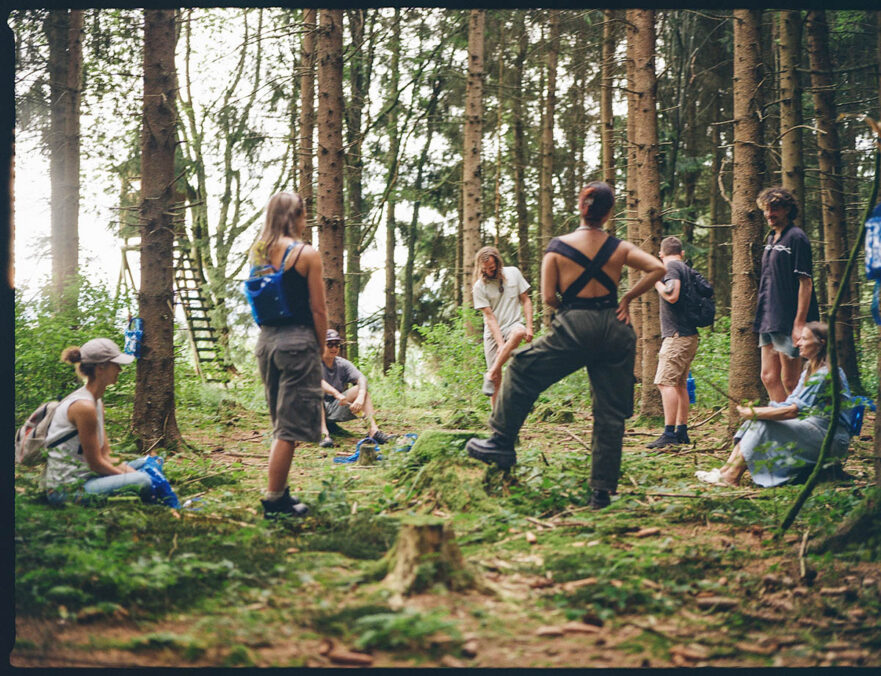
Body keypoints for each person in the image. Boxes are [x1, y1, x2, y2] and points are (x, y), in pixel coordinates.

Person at [466, 182, 666, 509]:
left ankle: (501, 441)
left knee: (521, 368)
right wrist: (627, 297)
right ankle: (602, 493)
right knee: (609, 413)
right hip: (616, 329)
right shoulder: (619, 247)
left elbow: (547, 297)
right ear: (609, 211)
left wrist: (570, 314)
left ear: (581, 206)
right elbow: (659, 268)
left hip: (575, 322)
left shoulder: (558, 248)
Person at [696, 322, 853, 487]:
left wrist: (758, 413)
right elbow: (791, 402)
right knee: (755, 421)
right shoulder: (809, 369)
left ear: (821, 343)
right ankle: (725, 471)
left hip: (832, 438)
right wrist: (757, 412)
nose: (798, 343)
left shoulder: (825, 373)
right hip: (815, 429)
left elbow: (794, 411)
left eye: (804, 339)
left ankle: (731, 477)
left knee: (763, 424)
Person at [251, 191, 327, 518]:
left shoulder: (257, 253)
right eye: (303, 214)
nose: (305, 220)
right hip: (297, 342)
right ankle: (274, 501)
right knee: (289, 429)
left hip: (266, 342)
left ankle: (281, 491)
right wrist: (322, 348)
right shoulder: (307, 254)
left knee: (281, 424)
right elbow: (318, 308)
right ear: (295, 215)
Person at [42, 338, 154, 505]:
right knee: (144, 481)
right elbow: (96, 464)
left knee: (150, 463)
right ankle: (154, 502)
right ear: (101, 368)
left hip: (88, 476)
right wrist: (132, 477)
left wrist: (130, 472)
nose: (120, 369)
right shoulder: (83, 407)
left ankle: (147, 488)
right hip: (67, 490)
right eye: (116, 364)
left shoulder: (97, 403)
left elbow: (105, 454)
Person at [754, 187, 819, 402]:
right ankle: (783, 425)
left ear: (787, 209)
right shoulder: (772, 237)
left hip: (789, 318)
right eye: (766, 209)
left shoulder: (797, 237)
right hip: (768, 317)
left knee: (791, 381)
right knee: (768, 376)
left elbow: (806, 282)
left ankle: (800, 427)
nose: (769, 214)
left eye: (775, 209)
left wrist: (799, 323)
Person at [646, 236, 699, 449]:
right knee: (678, 384)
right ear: (682, 252)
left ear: (661, 254)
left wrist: (655, 280)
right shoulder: (683, 267)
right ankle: (681, 431)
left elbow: (672, 294)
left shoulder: (671, 267)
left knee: (665, 382)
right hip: (688, 335)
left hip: (677, 336)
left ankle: (669, 433)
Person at [472, 246, 534, 407]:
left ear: (498, 263)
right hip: (493, 331)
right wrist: (500, 344)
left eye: (491, 268)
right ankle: (496, 420)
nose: (488, 271)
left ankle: (490, 372)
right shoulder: (479, 287)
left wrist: (529, 327)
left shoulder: (513, 273)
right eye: (484, 269)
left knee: (519, 332)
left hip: (513, 324)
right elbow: (490, 317)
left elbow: (526, 300)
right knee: (496, 380)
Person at [319, 329, 392, 447]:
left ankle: (373, 431)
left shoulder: (342, 363)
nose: (334, 348)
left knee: (362, 392)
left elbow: (361, 378)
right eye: (330, 344)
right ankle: (324, 436)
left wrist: (361, 397)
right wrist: (336, 393)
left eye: (337, 345)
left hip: (334, 406)